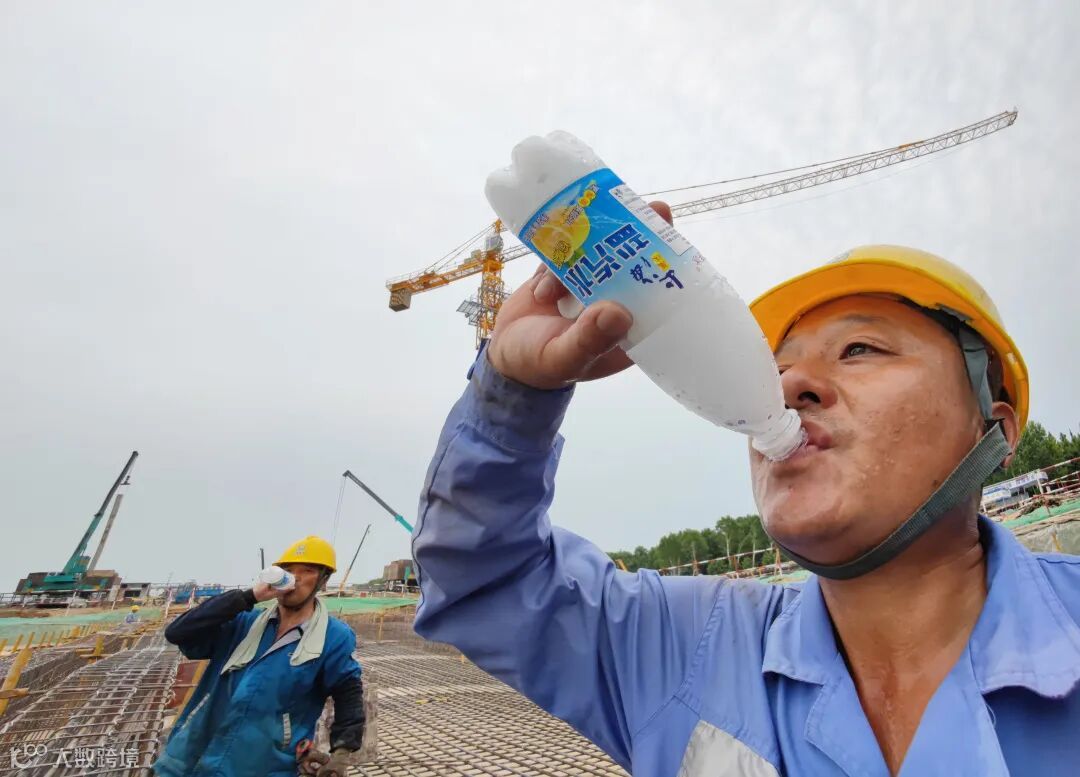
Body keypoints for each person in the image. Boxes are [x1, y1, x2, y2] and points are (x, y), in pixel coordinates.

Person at [412, 204, 1080, 776]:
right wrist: (512, 395)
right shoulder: (688, 647)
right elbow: (487, 580)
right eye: (773, 370)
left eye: (860, 349)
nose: (786, 387)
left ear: (993, 427)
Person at [155, 536, 364, 777]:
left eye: (306, 571)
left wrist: (341, 754)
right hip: (186, 762)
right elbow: (177, 633)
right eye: (287, 570)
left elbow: (348, 694)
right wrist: (248, 597)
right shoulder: (244, 623)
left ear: (323, 580)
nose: (294, 578)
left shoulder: (333, 637)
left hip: (262, 767)